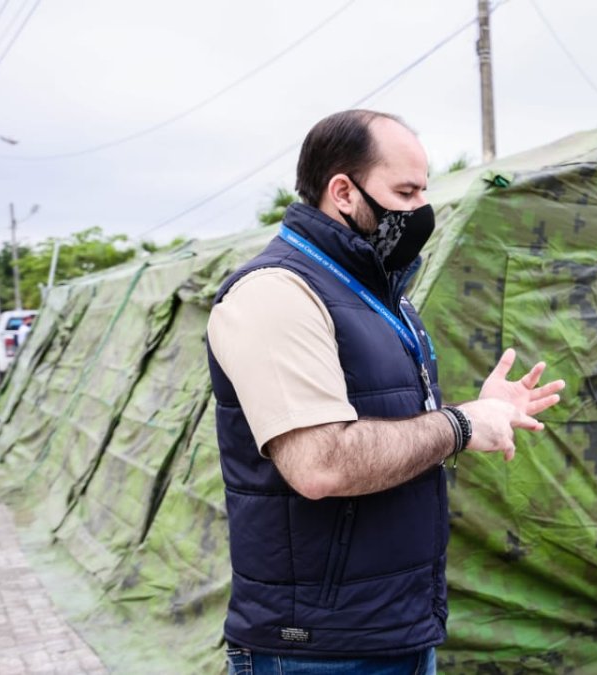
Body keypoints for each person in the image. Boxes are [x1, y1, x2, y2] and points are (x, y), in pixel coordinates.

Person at [206, 109, 565, 675]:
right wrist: (462, 425)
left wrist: (487, 411)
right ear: (343, 191)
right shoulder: (276, 292)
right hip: (316, 652)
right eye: (406, 191)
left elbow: (393, 430)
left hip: (398, 628)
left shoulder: (385, 297)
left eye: (424, 189)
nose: (422, 209)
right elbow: (320, 464)